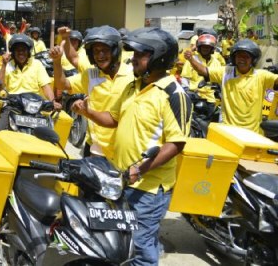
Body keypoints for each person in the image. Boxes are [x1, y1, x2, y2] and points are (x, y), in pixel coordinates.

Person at [72, 27, 191, 265]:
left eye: (140, 55)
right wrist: (89, 113)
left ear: (159, 57)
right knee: (122, 241)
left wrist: (141, 169)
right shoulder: (133, 87)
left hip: (148, 188)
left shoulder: (173, 93)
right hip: (122, 178)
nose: (133, 59)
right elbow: (113, 120)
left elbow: (176, 144)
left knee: (141, 247)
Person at [51, 25, 133, 159]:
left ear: (115, 50)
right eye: (96, 51)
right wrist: (56, 61)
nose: (100, 55)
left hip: (123, 148)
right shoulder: (90, 75)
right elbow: (62, 84)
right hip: (95, 147)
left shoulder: (133, 75)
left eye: (105, 50)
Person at [187, 38, 278, 134]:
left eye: (246, 57)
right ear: (234, 58)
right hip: (229, 131)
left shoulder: (261, 76)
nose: (241, 59)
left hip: (253, 133)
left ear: (253, 59)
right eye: (239, 56)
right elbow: (204, 71)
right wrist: (191, 59)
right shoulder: (226, 72)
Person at [0, 34, 58, 140]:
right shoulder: (8, 65)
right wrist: (3, 65)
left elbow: (45, 86)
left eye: (24, 50)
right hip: (13, 106)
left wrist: (53, 102)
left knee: (50, 137)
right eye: (17, 50)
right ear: (13, 52)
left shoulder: (37, 64)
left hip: (35, 107)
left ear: (29, 52)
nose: (21, 53)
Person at [181, 33, 223, 116]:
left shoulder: (216, 62)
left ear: (212, 48)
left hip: (211, 99)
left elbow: (219, 79)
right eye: (203, 46)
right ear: (199, 47)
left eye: (208, 47)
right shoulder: (192, 60)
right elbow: (185, 79)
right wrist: (187, 91)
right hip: (195, 97)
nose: (205, 49)